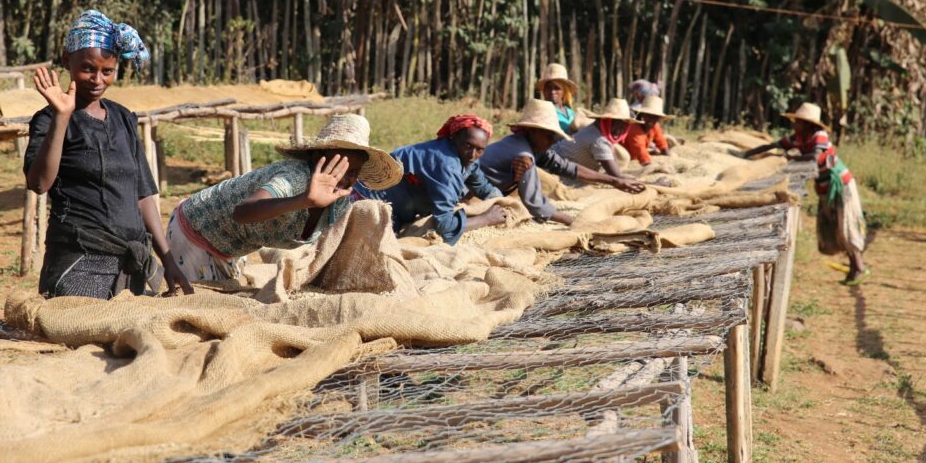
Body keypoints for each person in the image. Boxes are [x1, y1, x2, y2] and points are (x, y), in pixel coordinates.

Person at [24, 9, 193, 299]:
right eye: (87, 68)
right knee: (82, 320)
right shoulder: (48, 120)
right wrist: (62, 116)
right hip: (79, 260)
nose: (97, 79)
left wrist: (168, 260)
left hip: (129, 267)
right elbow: (39, 183)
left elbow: (142, 195)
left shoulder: (123, 118)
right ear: (66, 60)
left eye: (107, 71)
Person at [165, 114, 402, 281]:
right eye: (338, 166)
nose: (344, 177)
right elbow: (242, 212)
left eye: (353, 171)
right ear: (318, 156)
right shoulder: (295, 177)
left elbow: (329, 248)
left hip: (231, 248)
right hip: (195, 230)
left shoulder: (338, 203)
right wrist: (304, 200)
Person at [742, 102, 869, 284]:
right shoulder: (798, 138)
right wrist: (747, 154)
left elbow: (815, 157)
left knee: (846, 225)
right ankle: (855, 267)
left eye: (798, 121)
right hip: (825, 187)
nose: (794, 124)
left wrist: (790, 157)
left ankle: (858, 267)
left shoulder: (819, 135)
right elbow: (773, 145)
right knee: (837, 226)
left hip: (841, 185)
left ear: (808, 124)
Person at [479, 99, 645, 225]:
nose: (553, 141)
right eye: (549, 135)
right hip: (472, 193)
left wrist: (614, 181)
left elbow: (568, 167)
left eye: (554, 135)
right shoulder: (524, 155)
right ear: (532, 131)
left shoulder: (534, 147)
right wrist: (573, 221)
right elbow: (536, 204)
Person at [354, 115, 508, 244]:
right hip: (368, 204)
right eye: (468, 145)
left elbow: (482, 187)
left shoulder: (467, 160)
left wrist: (506, 204)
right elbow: (445, 225)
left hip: (396, 209)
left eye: (480, 149)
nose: (473, 155)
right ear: (454, 137)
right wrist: (486, 218)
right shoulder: (446, 164)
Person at [552, 98, 637, 178]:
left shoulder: (598, 131)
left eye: (622, 128)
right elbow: (616, 176)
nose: (618, 131)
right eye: (616, 126)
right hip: (553, 165)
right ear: (607, 121)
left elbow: (615, 168)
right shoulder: (599, 140)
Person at [623, 95, 673, 166]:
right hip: (624, 157)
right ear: (642, 115)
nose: (651, 119)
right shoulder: (634, 128)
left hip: (637, 155)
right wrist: (651, 167)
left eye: (655, 116)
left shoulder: (655, 125)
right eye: (648, 115)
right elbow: (642, 155)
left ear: (658, 118)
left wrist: (670, 158)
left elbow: (662, 144)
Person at [535, 63, 578, 134]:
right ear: (544, 90)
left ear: (564, 91)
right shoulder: (541, 113)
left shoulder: (571, 113)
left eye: (557, 88)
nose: (552, 92)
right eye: (549, 87)